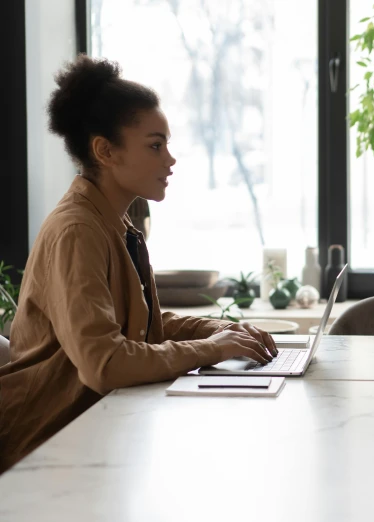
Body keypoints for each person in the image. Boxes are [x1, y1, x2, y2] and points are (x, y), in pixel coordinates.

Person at [0, 56, 278, 473]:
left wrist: (220, 330)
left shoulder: (116, 222)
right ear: (104, 151)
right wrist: (211, 348)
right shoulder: (77, 231)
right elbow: (104, 364)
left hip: (93, 436)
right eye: (155, 145)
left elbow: (139, 324)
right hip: (41, 448)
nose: (170, 159)